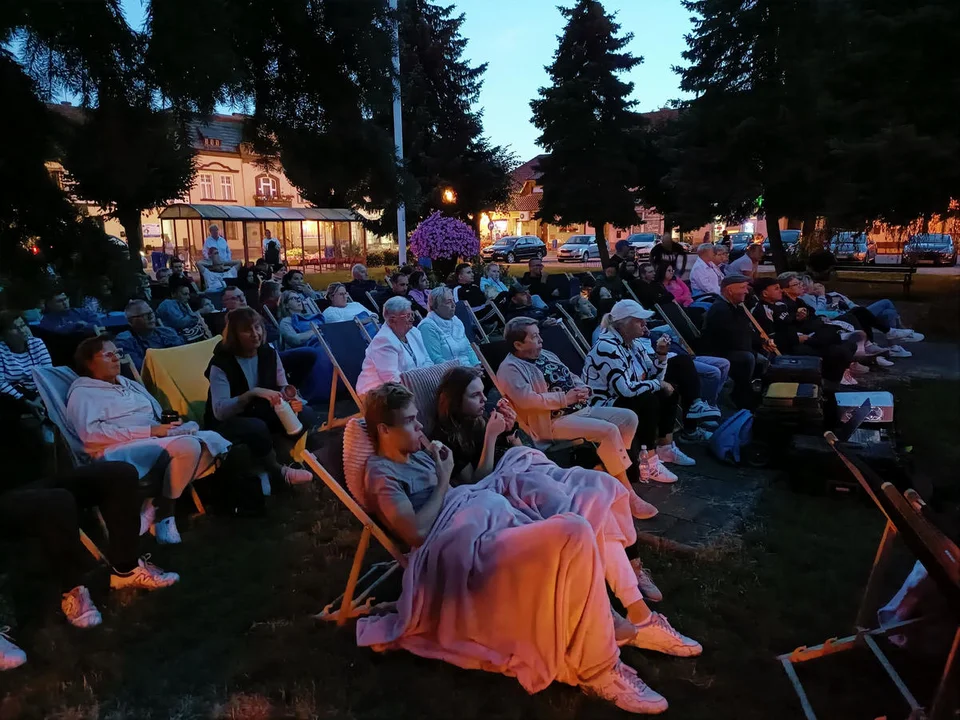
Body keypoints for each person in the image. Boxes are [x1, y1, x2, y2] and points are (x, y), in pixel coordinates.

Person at [357, 383, 701, 715]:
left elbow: (466, 488)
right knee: (573, 530)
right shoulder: (382, 474)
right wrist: (445, 477)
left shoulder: (417, 456)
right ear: (385, 430)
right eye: (411, 420)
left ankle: (634, 615)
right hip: (454, 544)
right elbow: (416, 533)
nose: (420, 425)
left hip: (484, 513)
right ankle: (600, 669)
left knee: (594, 490)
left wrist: (453, 466)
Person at [0, 462, 180, 667]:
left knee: (120, 474)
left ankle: (126, 569)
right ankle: (73, 591)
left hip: (35, 478)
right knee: (58, 501)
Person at [66, 336, 232, 544]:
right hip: (115, 448)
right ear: (88, 363)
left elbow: (154, 412)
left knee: (213, 441)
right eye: (108, 355)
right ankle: (165, 514)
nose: (117, 359)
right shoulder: (83, 393)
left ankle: (154, 504)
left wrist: (171, 428)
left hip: (150, 439)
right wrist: (149, 431)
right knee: (188, 446)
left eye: (117, 353)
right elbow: (90, 436)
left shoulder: (127, 384)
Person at [496, 317, 656, 518]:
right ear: (518, 344)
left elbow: (570, 375)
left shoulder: (545, 354)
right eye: (534, 337)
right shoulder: (510, 369)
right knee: (608, 431)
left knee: (628, 418)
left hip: (579, 408)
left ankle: (609, 467)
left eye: (539, 334)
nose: (541, 340)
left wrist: (582, 387)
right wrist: (565, 398)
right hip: (552, 422)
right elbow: (527, 400)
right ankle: (628, 494)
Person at [583, 301, 699, 484]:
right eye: (640, 321)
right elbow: (625, 389)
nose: (645, 325)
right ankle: (650, 461)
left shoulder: (633, 344)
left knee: (668, 390)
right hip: (603, 403)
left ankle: (665, 448)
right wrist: (658, 384)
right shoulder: (606, 347)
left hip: (621, 397)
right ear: (624, 324)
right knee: (648, 398)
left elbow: (654, 376)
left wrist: (661, 356)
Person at [204, 308, 315, 489]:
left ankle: (285, 457)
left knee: (306, 414)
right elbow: (220, 411)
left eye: (258, 328)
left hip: (263, 410)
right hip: (230, 419)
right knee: (256, 427)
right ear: (235, 335)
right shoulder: (221, 364)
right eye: (247, 330)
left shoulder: (268, 353)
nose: (255, 334)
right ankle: (278, 471)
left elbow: (282, 386)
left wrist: (291, 399)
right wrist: (251, 394)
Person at [752, 278, 859, 386]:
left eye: (780, 288)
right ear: (765, 293)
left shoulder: (780, 305)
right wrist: (797, 338)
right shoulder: (762, 311)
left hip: (800, 336)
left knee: (846, 344)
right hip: (790, 346)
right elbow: (770, 338)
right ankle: (830, 381)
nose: (781, 291)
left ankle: (835, 375)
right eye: (776, 289)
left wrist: (798, 318)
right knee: (837, 349)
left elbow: (793, 321)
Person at [432, 366, 521, 484]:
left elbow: (521, 451)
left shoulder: (480, 418)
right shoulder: (445, 438)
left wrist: (510, 432)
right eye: (475, 395)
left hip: (517, 468)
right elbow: (476, 482)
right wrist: (491, 436)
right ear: (455, 401)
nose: (484, 399)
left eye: (483, 392)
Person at [701, 275, 772, 408]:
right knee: (748, 357)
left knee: (762, 352)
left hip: (734, 347)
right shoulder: (721, 310)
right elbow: (732, 339)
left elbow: (746, 331)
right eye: (743, 288)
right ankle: (742, 396)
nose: (746, 291)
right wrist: (754, 352)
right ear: (730, 290)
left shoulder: (736, 306)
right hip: (721, 352)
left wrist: (762, 342)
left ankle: (757, 390)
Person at [356, 297, 433, 396]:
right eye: (407, 315)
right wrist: (421, 383)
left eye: (412, 314)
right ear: (392, 320)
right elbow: (391, 380)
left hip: (410, 387)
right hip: (379, 393)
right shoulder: (383, 341)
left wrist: (425, 380)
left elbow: (428, 360)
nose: (412, 319)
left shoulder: (414, 332)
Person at [417, 287, 480, 367]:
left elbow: (468, 348)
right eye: (448, 302)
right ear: (436, 306)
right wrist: (466, 372)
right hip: (449, 374)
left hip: (469, 370)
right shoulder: (427, 327)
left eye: (453, 300)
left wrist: (476, 365)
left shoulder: (456, 321)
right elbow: (436, 359)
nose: (454, 305)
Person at [114, 300, 183, 370]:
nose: (150, 317)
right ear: (130, 321)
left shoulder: (168, 332)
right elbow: (141, 370)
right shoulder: (124, 341)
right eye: (143, 315)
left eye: (150, 313)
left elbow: (183, 356)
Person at [156, 277, 212, 343]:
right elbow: (180, 323)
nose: (188, 297)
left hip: (187, 337)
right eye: (185, 294)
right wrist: (199, 312)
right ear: (173, 294)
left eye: (188, 294)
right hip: (178, 339)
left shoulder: (182, 304)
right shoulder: (167, 304)